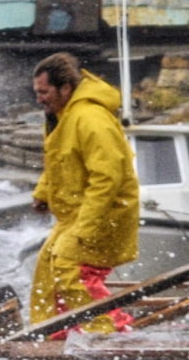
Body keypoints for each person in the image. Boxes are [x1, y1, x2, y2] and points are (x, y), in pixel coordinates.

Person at [27, 52, 140, 334]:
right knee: (47, 265)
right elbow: (59, 159)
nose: (40, 99)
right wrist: (43, 192)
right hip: (74, 215)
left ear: (65, 88)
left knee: (70, 268)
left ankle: (109, 328)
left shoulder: (90, 118)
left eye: (44, 92)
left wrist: (86, 227)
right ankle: (57, 330)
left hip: (105, 213)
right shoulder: (62, 116)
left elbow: (107, 178)